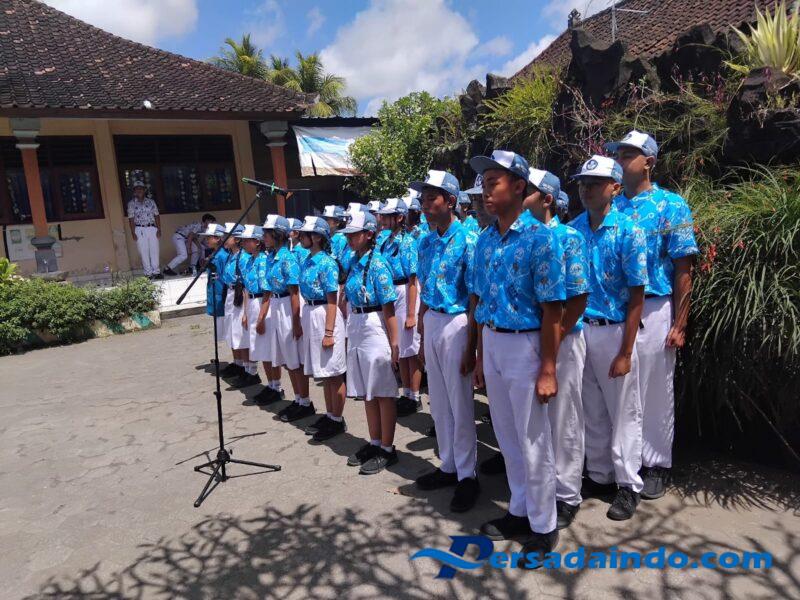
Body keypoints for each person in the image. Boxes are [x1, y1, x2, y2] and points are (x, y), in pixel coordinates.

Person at [469, 149, 565, 559]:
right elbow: (480, 302)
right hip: (493, 341)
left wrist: (548, 368)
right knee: (507, 436)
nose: (486, 192)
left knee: (533, 439)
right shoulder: (485, 239)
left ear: (519, 186)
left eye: (494, 183)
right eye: (484, 184)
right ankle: (520, 509)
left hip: (525, 344)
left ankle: (544, 526)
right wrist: (479, 356)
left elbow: (553, 310)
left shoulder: (540, 239)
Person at [606, 130, 699, 500]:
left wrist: (680, 322)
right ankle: (623, 464)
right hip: (615, 312)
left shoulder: (671, 205)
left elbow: (684, 267)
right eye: (618, 154)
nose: (621, 160)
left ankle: (657, 463)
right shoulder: (611, 207)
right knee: (621, 392)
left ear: (649, 162)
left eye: (628, 154)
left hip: (655, 307)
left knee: (655, 390)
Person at [570, 154, 649, 521]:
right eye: (583, 184)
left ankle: (628, 484)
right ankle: (600, 474)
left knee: (624, 413)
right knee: (591, 409)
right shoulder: (573, 230)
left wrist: (626, 351)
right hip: (580, 330)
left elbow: (637, 296)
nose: (586, 190)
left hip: (614, 330)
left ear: (615, 188)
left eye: (595, 184)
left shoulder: (629, 231)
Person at [523, 168, 590, 530]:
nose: (521, 197)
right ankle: (539, 487)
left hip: (563, 336)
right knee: (536, 419)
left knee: (564, 417)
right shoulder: (522, 237)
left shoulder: (569, 237)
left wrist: (558, 335)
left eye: (528, 191)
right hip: (530, 338)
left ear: (546, 199)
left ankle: (567, 494)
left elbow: (578, 297)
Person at [413, 169, 481, 513]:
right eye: (422, 199)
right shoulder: (426, 242)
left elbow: (474, 297)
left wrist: (472, 344)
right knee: (438, 401)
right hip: (433, 320)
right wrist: (421, 329)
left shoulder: (468, 239)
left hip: (457, 322)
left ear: (450, 201)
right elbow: (425, 288)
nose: (424, 205)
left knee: (460, 401)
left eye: (431, 198)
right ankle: (448, 464)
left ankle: (468, 475)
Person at [340, 210, 401, 475]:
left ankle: (387, 448)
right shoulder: (354, 260)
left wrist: (394, 342)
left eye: (354, 234)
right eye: (348, 235)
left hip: (374, 324)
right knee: (367, 389)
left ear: (368, 234)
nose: (350, 239)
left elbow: (389, 307)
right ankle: (375, 441)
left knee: (382, 390)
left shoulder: (378, 263)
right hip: (357, 323)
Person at [296, 216, 348, 441]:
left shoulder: (326, 263)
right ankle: (329, 415)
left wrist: (329, 333)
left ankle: (337, 418)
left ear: (317, 237)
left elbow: (332, 301)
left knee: (334, 373)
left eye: (305, 234)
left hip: (324, 315)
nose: (300, 237)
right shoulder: (308, 259)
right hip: (311, 313)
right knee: (325, 373)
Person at [257, 215, 309, 422]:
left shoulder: (288, 258)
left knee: (294, 358)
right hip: (277, 306)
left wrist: (296, 323)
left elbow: (294, 292)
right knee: (287, 359)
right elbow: (268, 290)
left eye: (267, 234)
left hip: (288, 305)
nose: (264, 238)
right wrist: (262, 316)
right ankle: (297, 399)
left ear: (277, 235)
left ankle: (305, 401)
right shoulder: (271, 256)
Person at [376, 198, 422, 417]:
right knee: (401, 349)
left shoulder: (408, 242)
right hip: (391, 293)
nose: (383, 220)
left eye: (388, 216)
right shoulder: (385, 241)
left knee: (411, 350)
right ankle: (406, 392)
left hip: (404, 291)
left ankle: (415, 396)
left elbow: (412, 279)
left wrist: (412, 314)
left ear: (400, 218)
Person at [229, 225, 263, 389]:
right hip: (249, 300)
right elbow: (246, 287)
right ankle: (249, 370)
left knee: (256, 341)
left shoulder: (262, 260)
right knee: (245, 336)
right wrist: (245, 312)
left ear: (257, 241)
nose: (244, 243)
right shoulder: (248, 260)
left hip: (261, 301)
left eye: (247, 240)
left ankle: (255, 373)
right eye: (243, 240)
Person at [219, 224, 247, 379]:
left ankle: (248, 369)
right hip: (230, 294)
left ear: (236, 239)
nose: (223, 239)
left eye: (227, 236)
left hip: (239, 295)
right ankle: (238, 363)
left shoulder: (242, 257)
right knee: (231, 330)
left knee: (240, 332)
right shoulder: (230, 255)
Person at [198, 222, 230, 351]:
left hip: (221, 297)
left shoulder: (223, 256)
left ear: (218, 238)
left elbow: (224, 278)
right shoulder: (214, 254)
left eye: (209, 237)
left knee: (228, 332)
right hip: (215, 295)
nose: (206, 240)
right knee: (222, 331)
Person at [126, 180, 162, 279]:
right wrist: (133, 232)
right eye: (137, 189)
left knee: (155, 250)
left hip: (152, 228)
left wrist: (159, 229)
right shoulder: (131, 204)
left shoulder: (151, 202)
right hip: (139, 229)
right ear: (134, 191)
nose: (139, 190)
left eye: (141, 188)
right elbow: (131, 218)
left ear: (144, 190)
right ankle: (148, 273)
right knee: (143, 251)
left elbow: (156, 215)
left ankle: (156, 272)